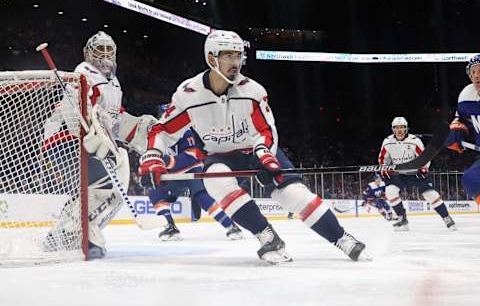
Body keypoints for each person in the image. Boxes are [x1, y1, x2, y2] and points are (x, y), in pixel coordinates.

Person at [139, 30, 370, 262]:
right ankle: (267, 237)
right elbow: (163, 130)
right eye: (228, 56)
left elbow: (265, 131)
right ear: (211, 59)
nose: (236, 63)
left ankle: (342, 238)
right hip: (219, 155)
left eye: (238, 56)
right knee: (216, 179)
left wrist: (264, 156)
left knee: (292, 195)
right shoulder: (188, 94)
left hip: (255, 149)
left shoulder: (253, 92)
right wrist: (153, 156)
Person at [43, 31, 157, 259]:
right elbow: (73, 110)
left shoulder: (113, 82)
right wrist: (87, 131)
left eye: (109, 50)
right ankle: (75, 234)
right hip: (67, 141)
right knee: (103, 187)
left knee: (107, 190)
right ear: (87, 53)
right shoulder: (83, 72)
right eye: (99, 50)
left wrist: (141, 130)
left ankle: (64, 235)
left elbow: (114, 118)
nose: (104, 54)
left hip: (91, 142)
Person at [148, 106, 244, 241]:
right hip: (173, 173)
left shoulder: (184, 130)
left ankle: (231, 226)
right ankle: (170, 227)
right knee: (155, 194)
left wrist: (168, 161)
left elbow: (192, 154)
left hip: (191, 167)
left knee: (202, 197)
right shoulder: (157, 134)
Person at [378, 117, 456, 231]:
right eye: (396, 128)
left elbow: (426, 157)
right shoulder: (387, 142)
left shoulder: (415, 141)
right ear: (393, 129)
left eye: (402, 127)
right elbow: (382, 160)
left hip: (415, 173)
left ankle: (447, 217)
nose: (399, 130)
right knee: (390, 191)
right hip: (399, 174)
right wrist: (384, 169)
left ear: (406, 129)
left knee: (430, 195)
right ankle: (402, 220)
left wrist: (424, 168)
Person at [446, 54, 480, 206]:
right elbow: (460, 118)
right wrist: (456, 133)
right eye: (473, 72)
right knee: (471, 179)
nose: (477, 76)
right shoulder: (467, 96)